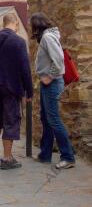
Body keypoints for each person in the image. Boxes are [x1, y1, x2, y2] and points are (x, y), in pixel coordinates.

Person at [0, 13, 33, 170]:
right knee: (11, 120)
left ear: (3, 23)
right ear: (16, 24)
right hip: (12, 86)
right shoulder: (19, 42)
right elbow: (25, 69)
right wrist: (29, 92)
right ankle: (7, 158)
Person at [30, 13, 75, 169]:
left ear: (37, 26)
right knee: (45, 118)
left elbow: (59, 61)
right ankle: (45, 154)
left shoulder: (48, 38)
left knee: (54, 119)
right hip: (48, 83)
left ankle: (68, 157)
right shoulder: (48, 37)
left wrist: (49, 77)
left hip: (52, 83)